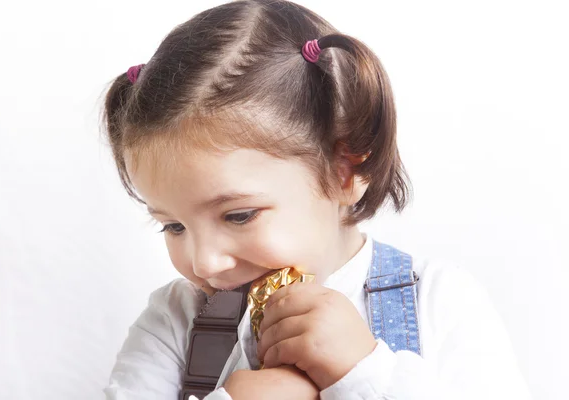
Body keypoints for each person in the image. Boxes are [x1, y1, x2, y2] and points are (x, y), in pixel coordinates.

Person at [101, 1, 531, 399]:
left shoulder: (439, 302)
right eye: (174, 226)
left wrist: (363, 373)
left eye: (238, 215)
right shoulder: (177, 321)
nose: (204, 264)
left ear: (346, 173)